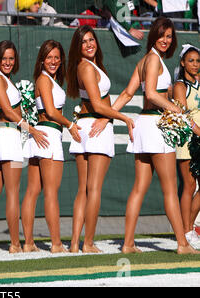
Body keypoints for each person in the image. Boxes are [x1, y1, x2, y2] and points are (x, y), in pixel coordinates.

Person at [107, 17, 199, 254]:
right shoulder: (153, 60)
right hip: (156, 126)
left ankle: (128, 244)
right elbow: (150, 93)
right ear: (153, 35)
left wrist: (108, 114)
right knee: (169, 189)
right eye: (162, 35)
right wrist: (178, 110)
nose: (165, 40)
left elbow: (128, 93)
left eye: (169, 36)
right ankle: (182, 244)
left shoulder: (144, 60)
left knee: (139, 188)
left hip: (144, 126)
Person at [66, 25, 134, 253]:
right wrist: (123, 117)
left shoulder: (88, 66)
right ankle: (87, 243)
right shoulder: (85, 67)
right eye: (83, 41)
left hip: (89, 126)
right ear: (78, 47)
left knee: (84, 189)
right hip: (94, 127)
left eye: (91, 39)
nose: (89, 44)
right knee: (92, 189)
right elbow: (97, 104)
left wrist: (108, 118)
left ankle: (76, 243)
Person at [0, 40, 48, 254]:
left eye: (11, 58)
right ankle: (14, 244)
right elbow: (8, 111)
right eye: (4, 58)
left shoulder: (6, 79)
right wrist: (30, 129)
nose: (8, 62)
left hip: (2, 135)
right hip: (8, 135)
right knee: (10, 192)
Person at [21, 40, 81, 253]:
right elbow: (52, 111)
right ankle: (55, 243)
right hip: (48, 135)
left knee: (33, 190)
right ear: (42, 60)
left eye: (57, 57)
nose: (53, 61)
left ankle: (28, 243)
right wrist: (71, 125)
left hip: (42, 135)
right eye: (49, 57)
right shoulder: (44, 80)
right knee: (50, 192)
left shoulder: (48, 80)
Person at [174, 45, 200, 245]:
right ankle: (186, 230)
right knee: (189, 185)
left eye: (198, 61)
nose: (195, 64)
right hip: (188, 139)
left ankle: (189, 228)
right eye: (190, 61)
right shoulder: (180, 86)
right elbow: (182, 115)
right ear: (182, 63)